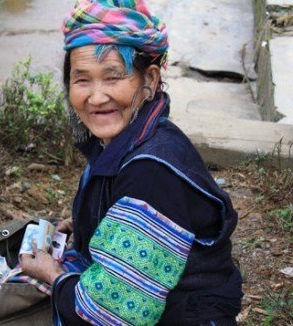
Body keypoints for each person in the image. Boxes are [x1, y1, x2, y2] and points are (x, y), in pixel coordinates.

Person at [21, 0, 243, 325]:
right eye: (82, 80)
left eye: (113, 78)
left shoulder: (152, 171)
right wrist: (85, 222)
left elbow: (112, 315)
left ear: (149, 80)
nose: (96, 97)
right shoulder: (128, 138)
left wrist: (53, 275)